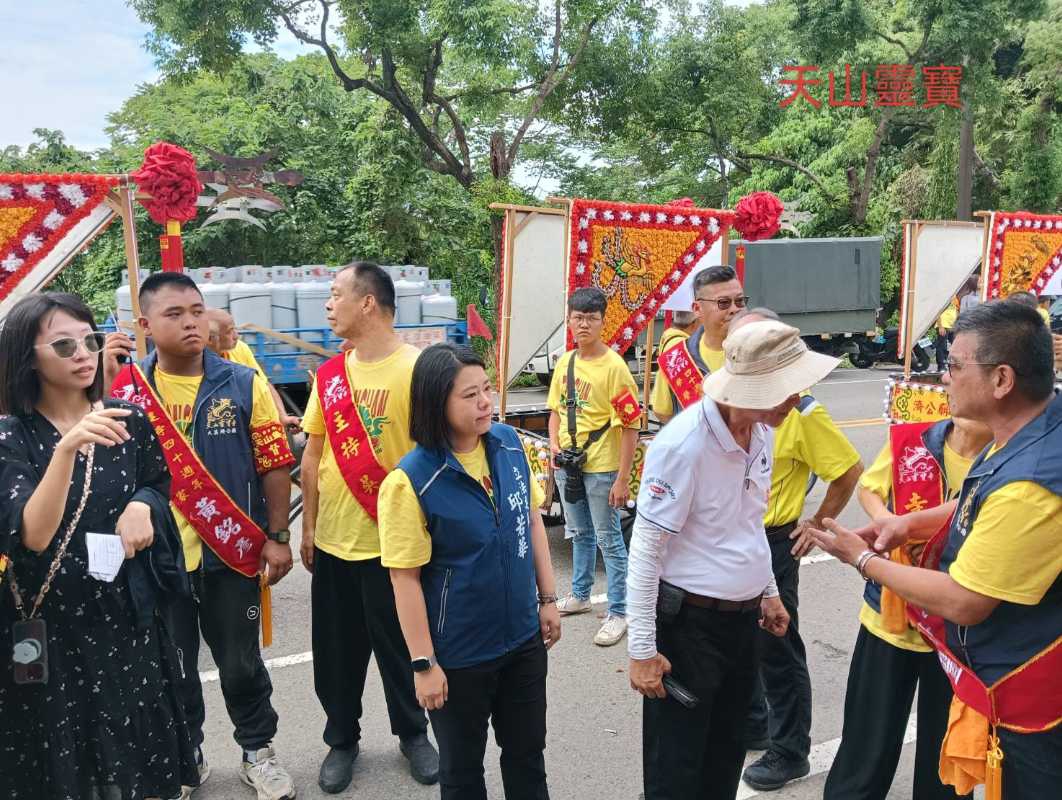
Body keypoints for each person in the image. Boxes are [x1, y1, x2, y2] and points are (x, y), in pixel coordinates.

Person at [812, 301, 1062, 799]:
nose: (943, 377)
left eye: (954, 365)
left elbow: (964, 600)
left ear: (1002, 380)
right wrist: (906, 525)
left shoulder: (1031, 481)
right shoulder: (1030, 429)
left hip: (1027, 698)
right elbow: (975, 502)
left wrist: (864, 561)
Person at [104, 272, 298, 800]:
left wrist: (278, 535)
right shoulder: (127, 391)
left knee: (240, 665)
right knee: (173, 671)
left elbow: (275, 462)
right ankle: (185, 760)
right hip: (158, 561)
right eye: (174, 314)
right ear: (145, 325)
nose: (191, 321)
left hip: (231, 554)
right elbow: (109, 473)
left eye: (196, 309)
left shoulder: (241, 382)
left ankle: (258, 753)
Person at [627, 319, 838, 800]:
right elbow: (646, 549)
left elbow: (749, 523)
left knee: (725, 755)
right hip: (689, 627)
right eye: (786, 390)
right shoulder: (684, 446)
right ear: (749, 388)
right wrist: (641, 650)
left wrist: (768, 593)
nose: (796, 400)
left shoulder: (760, 432)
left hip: (743, 624)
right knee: (677, 770)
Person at [0, 292, 198, 800]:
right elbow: (34, 533)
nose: (84, 353)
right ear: (28, 357)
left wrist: (143, 506)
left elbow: (157, 481)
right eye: (64, 346)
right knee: (59, 759)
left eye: (89, 339)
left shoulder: (129, 419)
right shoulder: (11, 436)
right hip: (51, 628)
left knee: (132, 755)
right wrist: (68, 448)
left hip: (124, 616)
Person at [379, 343, 563, 799]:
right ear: (435, 402)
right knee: (461, 773)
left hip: (522, 640)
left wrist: (547, 599)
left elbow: (532, 520)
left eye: (486, 389)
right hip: (459, 656)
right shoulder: (411, 480)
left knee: (527, 757)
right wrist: (424, 664)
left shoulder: (507, 444)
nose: (485, 402)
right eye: (469, 395)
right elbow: (405, 579)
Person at [299, 262, 438, 793]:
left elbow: (438, 457)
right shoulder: (331, 376)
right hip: (335, 541)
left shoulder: (420, 369)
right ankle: (341, 740)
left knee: (404, 649)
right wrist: (308, 528)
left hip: (396, 546)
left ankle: (413, 734)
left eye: (336, 295)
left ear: (368, 304)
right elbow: (312, 456)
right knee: (336, 654)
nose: (328, 305)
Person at [822, 410, 988, 800]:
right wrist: (886, 520)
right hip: (888, 619)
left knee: (944, 752)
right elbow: (870, 486)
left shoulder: (1005, 458)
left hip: (956, 634)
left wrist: (904, 527)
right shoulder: (915, 441)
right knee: (866, 741)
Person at [730, 309, 863, 791]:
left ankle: (790, 751)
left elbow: (847, 469)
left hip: (773, 541)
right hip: (735, 539)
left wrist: (817, 523)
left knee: (777, 645)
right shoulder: (735, 403)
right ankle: (755, 724)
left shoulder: (801, 412)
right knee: (738, 637)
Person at [547, 287, 641, 646]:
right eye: (577, 317)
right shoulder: (566, 362)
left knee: (609, 539)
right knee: (578, 533)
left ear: (603, 322)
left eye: (591, 318)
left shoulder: (614, 368)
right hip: (568, 466)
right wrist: (554, 442)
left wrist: (622, 479)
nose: (583, 324)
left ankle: (620, 611)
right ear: (569, 319)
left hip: (602, 468)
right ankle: (581, 594)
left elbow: (631, 426)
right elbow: (555, 410)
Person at [651, 265, 747, 424]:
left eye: (739, 301)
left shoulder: (761, 351)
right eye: (723, 302)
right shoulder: (676, 358)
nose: (734, 309)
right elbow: (663, 412)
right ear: (697, 308)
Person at [205, 308, 301, 430]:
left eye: (235, 328)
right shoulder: (196, 365)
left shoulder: (241, 349)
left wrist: (283, 416)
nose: (236, 336)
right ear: (209, 338)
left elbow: (264, 384)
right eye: (229, 331)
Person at [934, 296, 959, 371]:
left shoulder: (955, 298)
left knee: (955, 345)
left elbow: (956, 310)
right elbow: (937, 311)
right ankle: (941, 366)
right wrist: (940, 326)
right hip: (943, 325)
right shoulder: (944, 295)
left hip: (952, 326)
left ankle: (950, 364)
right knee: (942, 346)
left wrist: (956, 324)